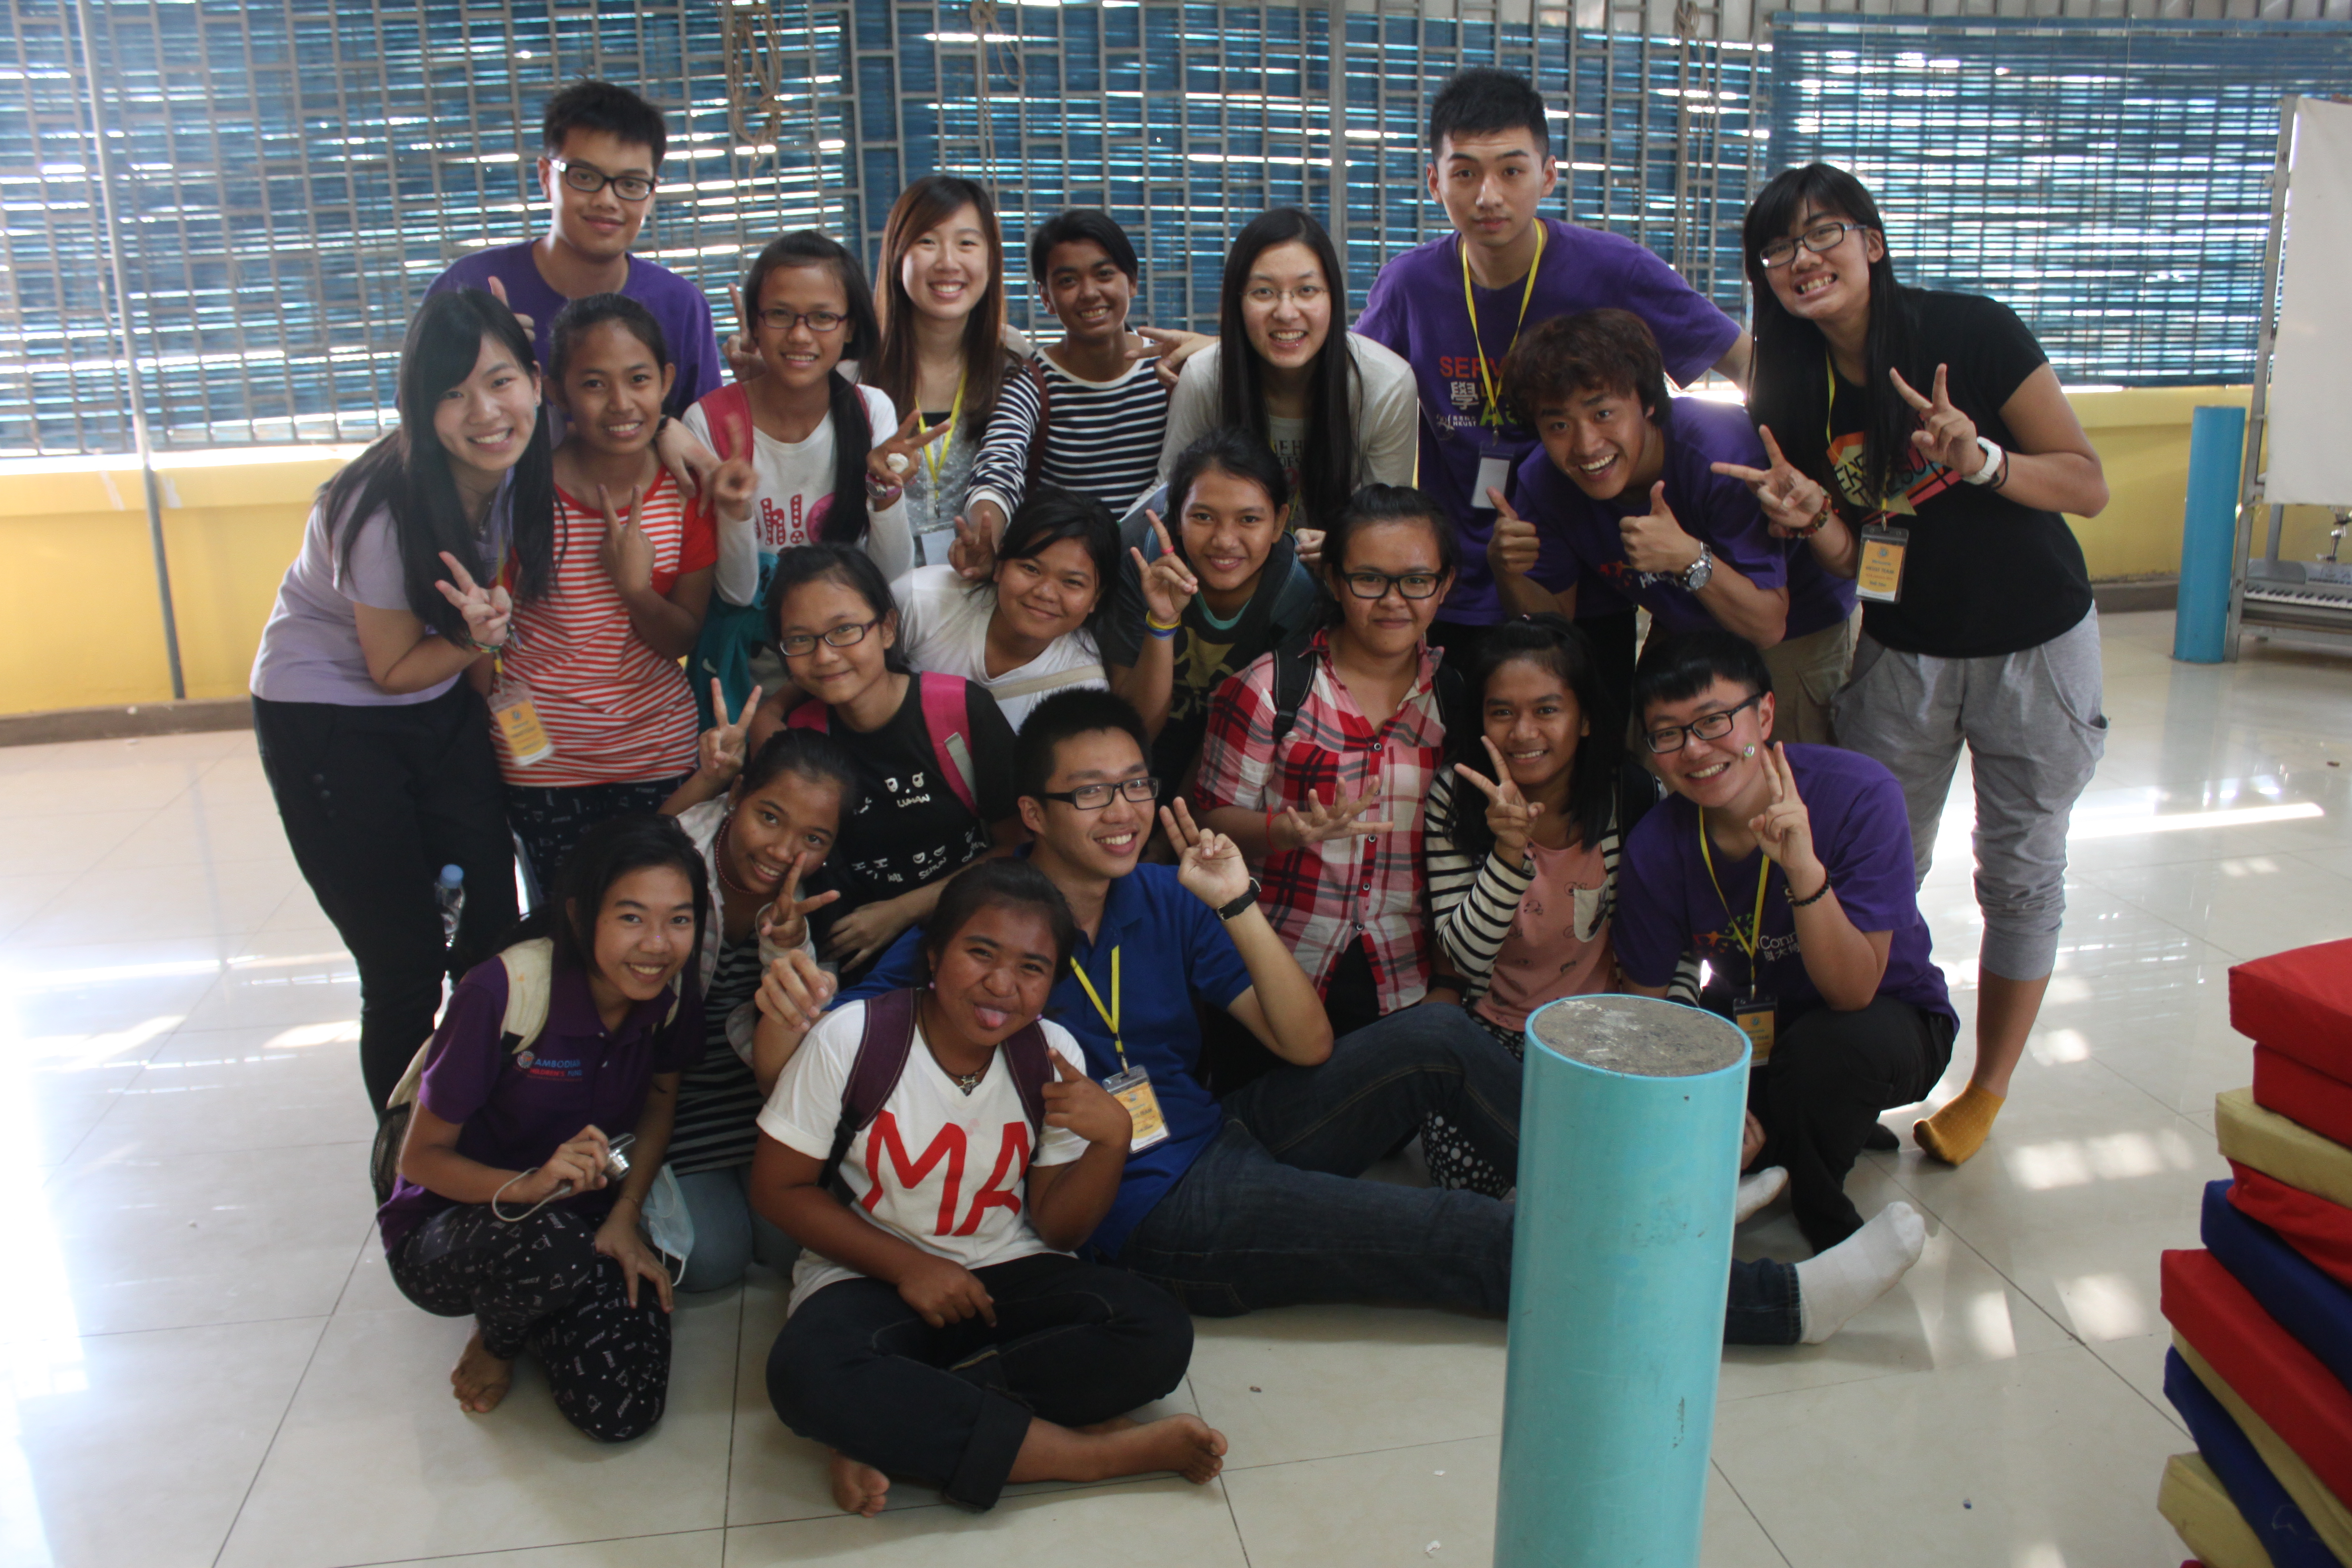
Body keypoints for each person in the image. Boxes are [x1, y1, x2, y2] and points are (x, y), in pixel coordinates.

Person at [831, 690, 1902, 1344]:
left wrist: (1239, 902)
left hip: (1219, 1130)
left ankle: (1659, 1193)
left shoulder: (1162, 893)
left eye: (1133, 787)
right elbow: (845, 1049)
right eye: (1088, 796)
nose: (1120, 813)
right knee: (1459, 1234)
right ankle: (1774, 1308)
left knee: (1439, 1040)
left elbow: (1306, 1047)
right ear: (1031, 815)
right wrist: (791, 1011)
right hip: (1148, 1216)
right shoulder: (979, 935)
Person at [1725, 163, 2110, 1164]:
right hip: (1901, 652)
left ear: (1873, 242)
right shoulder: (1787, 378)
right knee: (1869, 864)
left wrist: (1980, 460)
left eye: (1824, 235)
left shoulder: (1971, 333)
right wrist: (1814, 522)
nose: (1803, 260)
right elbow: (1862, 557)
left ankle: (1984, 1088)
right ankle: (1858, 1056)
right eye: (1778, 249)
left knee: (2020, 872)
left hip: (2037, 644)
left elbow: (2086, 483)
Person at [752, 858, 1225, 1516]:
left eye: (1032, 968)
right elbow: (778, 1190)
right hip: (868, 1274)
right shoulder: (853, 1038)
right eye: (980, 953)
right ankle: (1087, 1455)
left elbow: (1061, 1230)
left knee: (1156, 1330)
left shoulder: (1052, 1053)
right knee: (806, 1374)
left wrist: (1112, 1140)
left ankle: (892, 1423)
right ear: (934, 954)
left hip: (1006, 1272)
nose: (1002, 985)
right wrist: (911, 1266)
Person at [250, 288, 542, 1113]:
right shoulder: (377, 505)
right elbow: (392, 668)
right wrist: (483, 641)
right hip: (331, 718)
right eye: (451, 393)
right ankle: (410, 1178)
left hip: (442, 695)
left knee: (492, 936)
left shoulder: (523, 465)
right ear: (419, 407)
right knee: (405, 962)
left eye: (500, 381)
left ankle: (491, 1129)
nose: (484, 412)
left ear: (534, 380)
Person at [1355, 67, 1746, 666]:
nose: (1489, 195)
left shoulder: (1613, 269)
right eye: (1465, 173)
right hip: (1447, 586)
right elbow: (1338, 379)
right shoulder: (1410, 284)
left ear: (1549, 174)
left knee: (1587, 752)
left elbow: (1744, 362)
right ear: (1435, 182)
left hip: (1587, 589)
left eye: (1511, 170)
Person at [1613, 629, 1953, 1263]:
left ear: (1765, 713)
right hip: (1756, 1027)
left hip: (1887, 1017)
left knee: (1831, 1051)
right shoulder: (1657, 843)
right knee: (1711, 1120)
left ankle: (1823, 1217)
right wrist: (1703, 1106)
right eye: (1668, 733)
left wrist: (1804, 871)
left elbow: (1853, 991)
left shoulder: (1859, 793)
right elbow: (1648, 1009)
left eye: (1714, 721)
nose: (1695, 751)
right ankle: (1804, 1132)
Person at [377, 815, 708, 1441]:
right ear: (582, 917)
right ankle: (500, 1337)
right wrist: (531, 1187)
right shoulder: (504, 990)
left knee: (623, 1412)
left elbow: (661, 1099)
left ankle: (540, 1304)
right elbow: (419, 1159)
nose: (659, 944)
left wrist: (623, 1216)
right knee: (548, 1244)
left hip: (582, 1214)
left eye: (681, 919)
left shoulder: (671, 990)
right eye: (632, 917)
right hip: (455, 1223)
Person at [1488, 310, 1859, 733]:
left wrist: (1689, 558)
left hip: (1797, 624)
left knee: (1779, 778)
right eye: (1558, 424)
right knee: (1657, 764)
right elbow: (1554, 624)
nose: (1586, 445)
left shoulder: (1721, 454)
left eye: (1603, 414)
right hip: (1687, 622)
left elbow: (1767, 625)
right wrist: (1508, 570)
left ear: (1648, 403)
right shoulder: (1544, 480)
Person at [1421, 614, 1686, 1192]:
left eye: (1547, 710)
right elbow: (1464, 959)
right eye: (1502, 712)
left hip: (1605, 1025)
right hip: (1491, 1030)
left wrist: (1668, 1051)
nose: (1523, 733)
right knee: (1466, 1175)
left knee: (1644, 1150)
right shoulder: (1455, 795)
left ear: (1585, 717)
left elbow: (1674, 945)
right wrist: (1509, 852)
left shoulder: (1631, 796)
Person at [1198, 485, 1466, 1038]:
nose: (1393, 601)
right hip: (1275, 971)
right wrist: (1285, 831)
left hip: (1405, 982)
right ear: (1335, 582)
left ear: (1446, 586)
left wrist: (1448, 985)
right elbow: (1209, 823)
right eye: (1369, 580)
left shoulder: (1458, 702)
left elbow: (1457, 858)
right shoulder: (1272, 691)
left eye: (1417, 581)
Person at [493, 294, 716, 887]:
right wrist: (522, 748)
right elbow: (486, 642)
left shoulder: (688, 495)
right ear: (557, 391)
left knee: (657, 918)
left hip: (659, 755)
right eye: (594, 384)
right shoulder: (521, 496)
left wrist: (635, 590)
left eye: (639, 379)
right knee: (565, 925)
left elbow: (682, 636)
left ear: (666, 382)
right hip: (542, 766)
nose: (621, 404)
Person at [655, 719, 862, 1292]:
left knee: (789, 1248)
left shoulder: (819, 901)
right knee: (711, 1259)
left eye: (814, 839)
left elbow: (791, 1068)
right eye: (769, 816)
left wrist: (789, 951)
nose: (782, 851)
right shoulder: (673, 866)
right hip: (663, 1100)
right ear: (736, 796)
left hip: (758, 1102)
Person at [755, 544, 1021, 981]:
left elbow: (1017, 848)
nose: (824, 656)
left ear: (887, 629)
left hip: (977, 941)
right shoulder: (801, 739)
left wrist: (903, 910)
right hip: (857, 966)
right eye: (801, 640)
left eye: (844, 630)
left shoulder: (957, 711)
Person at [684, 232, 914, 724]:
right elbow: (737, 591)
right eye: (781, 315)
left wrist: (886, 494)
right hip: (751, 666)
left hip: (847, 660)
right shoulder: (709, 421)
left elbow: (890, 575)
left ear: (849, 327)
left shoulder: (871, 410)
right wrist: (737, 510)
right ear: (755, 324)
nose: (800, 336)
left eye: (823, 317)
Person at [427, 80, 720, 420]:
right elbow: (418, 423)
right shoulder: (469, 286)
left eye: (630, 184)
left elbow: (704, 437)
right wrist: (476, 364)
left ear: (652, 194)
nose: (607, 200)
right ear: (545, 177)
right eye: (584, 176)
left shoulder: (680, 305)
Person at [1156, 207, 1417, 557]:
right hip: (1229, 574)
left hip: (1340, 583)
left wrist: (1345, 548)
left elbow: (1385, 524)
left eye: (1307, 290)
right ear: (1237, 302)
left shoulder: (1385, 384)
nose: (1286, 312)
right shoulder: (1206, 377)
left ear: (1333, 298)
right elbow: (1170, 497)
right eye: (1263, 292)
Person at [1101, 427, 1320, 794]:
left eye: (1249, 520)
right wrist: (1162, 623)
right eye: (1203, 517)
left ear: (1280, 522)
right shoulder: (1142, 557)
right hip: (1134, 757)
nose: (1224, 541)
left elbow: (1251, 737)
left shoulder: (1295, 593)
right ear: (1177, 517)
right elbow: (1133, 729)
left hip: (1229, 767)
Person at [959, 210, 1169, 564]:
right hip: (1064, 578)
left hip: (1152, 573)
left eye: (1104, 275)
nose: (1089, 293)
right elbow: (999, 465)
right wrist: (986, 537)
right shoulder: (1030, 381)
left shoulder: (1167, 372)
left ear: (1132, 281)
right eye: (1068, 281)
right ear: (1046, 297)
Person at [856, 176, 1025, 558]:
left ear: (990, 257)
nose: (948, 262)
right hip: (877, 588)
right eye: (927, 242)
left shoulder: (1011, 356)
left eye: (966, 243)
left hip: (980, 581)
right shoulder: (856, 369)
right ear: (898, 255)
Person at [890, 486, 1117, 731]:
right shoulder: (920, 600)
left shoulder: (1082, 690)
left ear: (1096, 597)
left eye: (1072, 582)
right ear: (999, 565)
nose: (1045, 593)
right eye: (1031, 569)